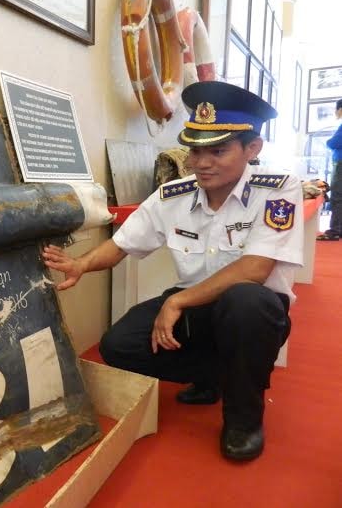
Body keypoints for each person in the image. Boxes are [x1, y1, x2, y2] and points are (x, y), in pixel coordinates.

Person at [43, 81, 303, 461]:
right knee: (120, 345)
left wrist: (177, 300)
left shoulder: (278, 190)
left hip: (252, 310)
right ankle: (214, 375)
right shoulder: (174, 194)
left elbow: (254, 269)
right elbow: (122, 244)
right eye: (195, 150)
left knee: (246, 303)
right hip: (195, 306)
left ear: (252, 149)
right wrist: (82, 263)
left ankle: (243, 418)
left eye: (218, 150)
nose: (202, 162)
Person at [317, 98, 342, 240]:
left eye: (336, 109)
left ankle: (335, 229)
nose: (335, 112)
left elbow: (334, 143)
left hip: (340, 163)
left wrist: (328, 141)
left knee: (338, 196)